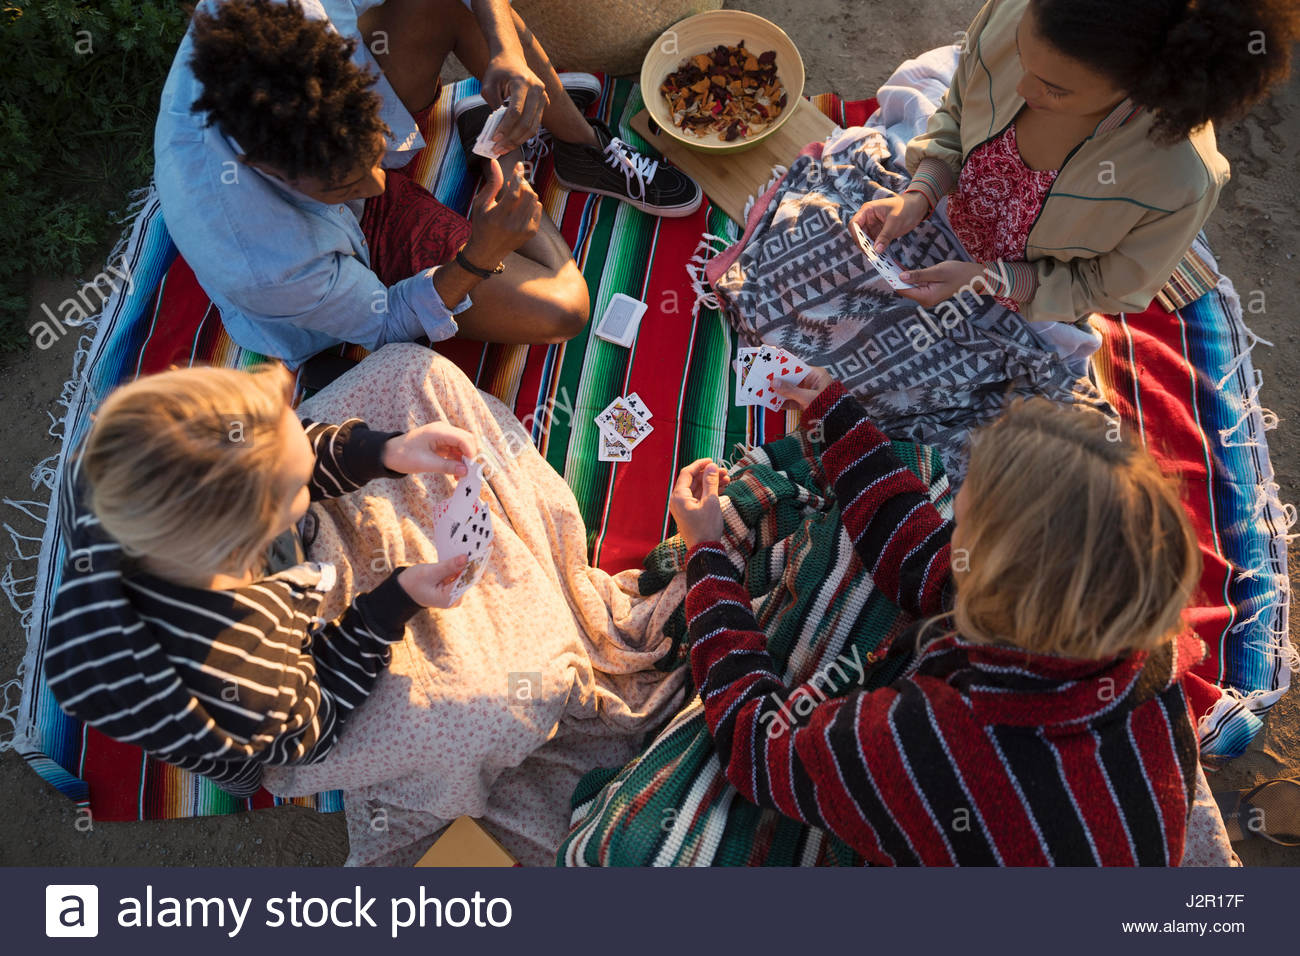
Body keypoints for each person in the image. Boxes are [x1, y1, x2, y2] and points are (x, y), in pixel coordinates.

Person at [669, 365, 1208, 864]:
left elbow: (757, 747)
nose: (952, 527)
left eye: (965, 523)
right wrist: (841, 426)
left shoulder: (924, 745)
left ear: (994, 589)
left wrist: (708, 557)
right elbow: (927, 564)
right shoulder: (1136, 630)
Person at [154, 0, 701, 368]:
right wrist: (479, 255)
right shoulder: (267, 262)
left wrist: (504, 48)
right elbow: (387, 320)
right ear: (268, 170)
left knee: (449, 7)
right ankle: (498, 150)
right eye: (345, 186)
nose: (381, 183)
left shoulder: (280, 16)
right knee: (565, 309)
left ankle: (580, 149)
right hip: (346, 274)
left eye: (375, 147)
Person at [44, 363, 482, 795]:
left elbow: (279, 453)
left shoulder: (106, 466)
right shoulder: (242, 677)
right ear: (249, 551)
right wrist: (390, 604)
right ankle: (241, 780)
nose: (307, 474)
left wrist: (385, 451)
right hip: (219, 723)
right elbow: (316, 720)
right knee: (240, 767)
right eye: (298, 488)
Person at [854, 0, 1297, 320]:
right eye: (1022, 57)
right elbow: (957, 109)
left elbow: (1105, 287)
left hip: (1031, 301)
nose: (1024, 90)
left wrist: (987, 280)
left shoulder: (1179, 181)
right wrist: (920, 192)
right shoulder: (1012, 12)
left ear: (1147, 88)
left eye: (1055, 89)